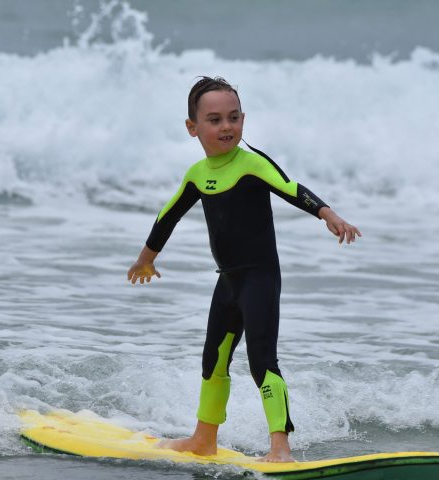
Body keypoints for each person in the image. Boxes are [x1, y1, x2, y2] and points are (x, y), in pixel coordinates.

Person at [127, 76, 361, 462]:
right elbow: (167, 217)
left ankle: (280, 447)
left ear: (243, 120)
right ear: (193, 128)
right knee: (213, 361)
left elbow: (290, 187)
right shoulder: (197, 175)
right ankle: (203, 438)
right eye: (215, 119)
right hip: (228, 281)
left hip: (259, 277)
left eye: (234, 118)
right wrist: (146, 258)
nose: (226, 127)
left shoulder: (252, 163)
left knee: (261, 361)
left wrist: (327, 213)